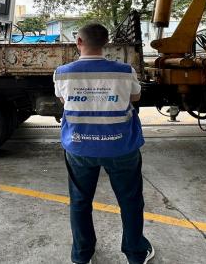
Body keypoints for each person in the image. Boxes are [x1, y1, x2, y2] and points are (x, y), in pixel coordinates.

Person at [54, 23, 154, 264]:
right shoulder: (124, 70)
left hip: (79, 147)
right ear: (106, 43)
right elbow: (136, 97)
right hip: (121, 147)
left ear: (79, 42)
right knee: (130, 201)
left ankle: (82, 255)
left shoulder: (63, 72)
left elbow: (62, 98)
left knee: (80, 201)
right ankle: (135, 254)